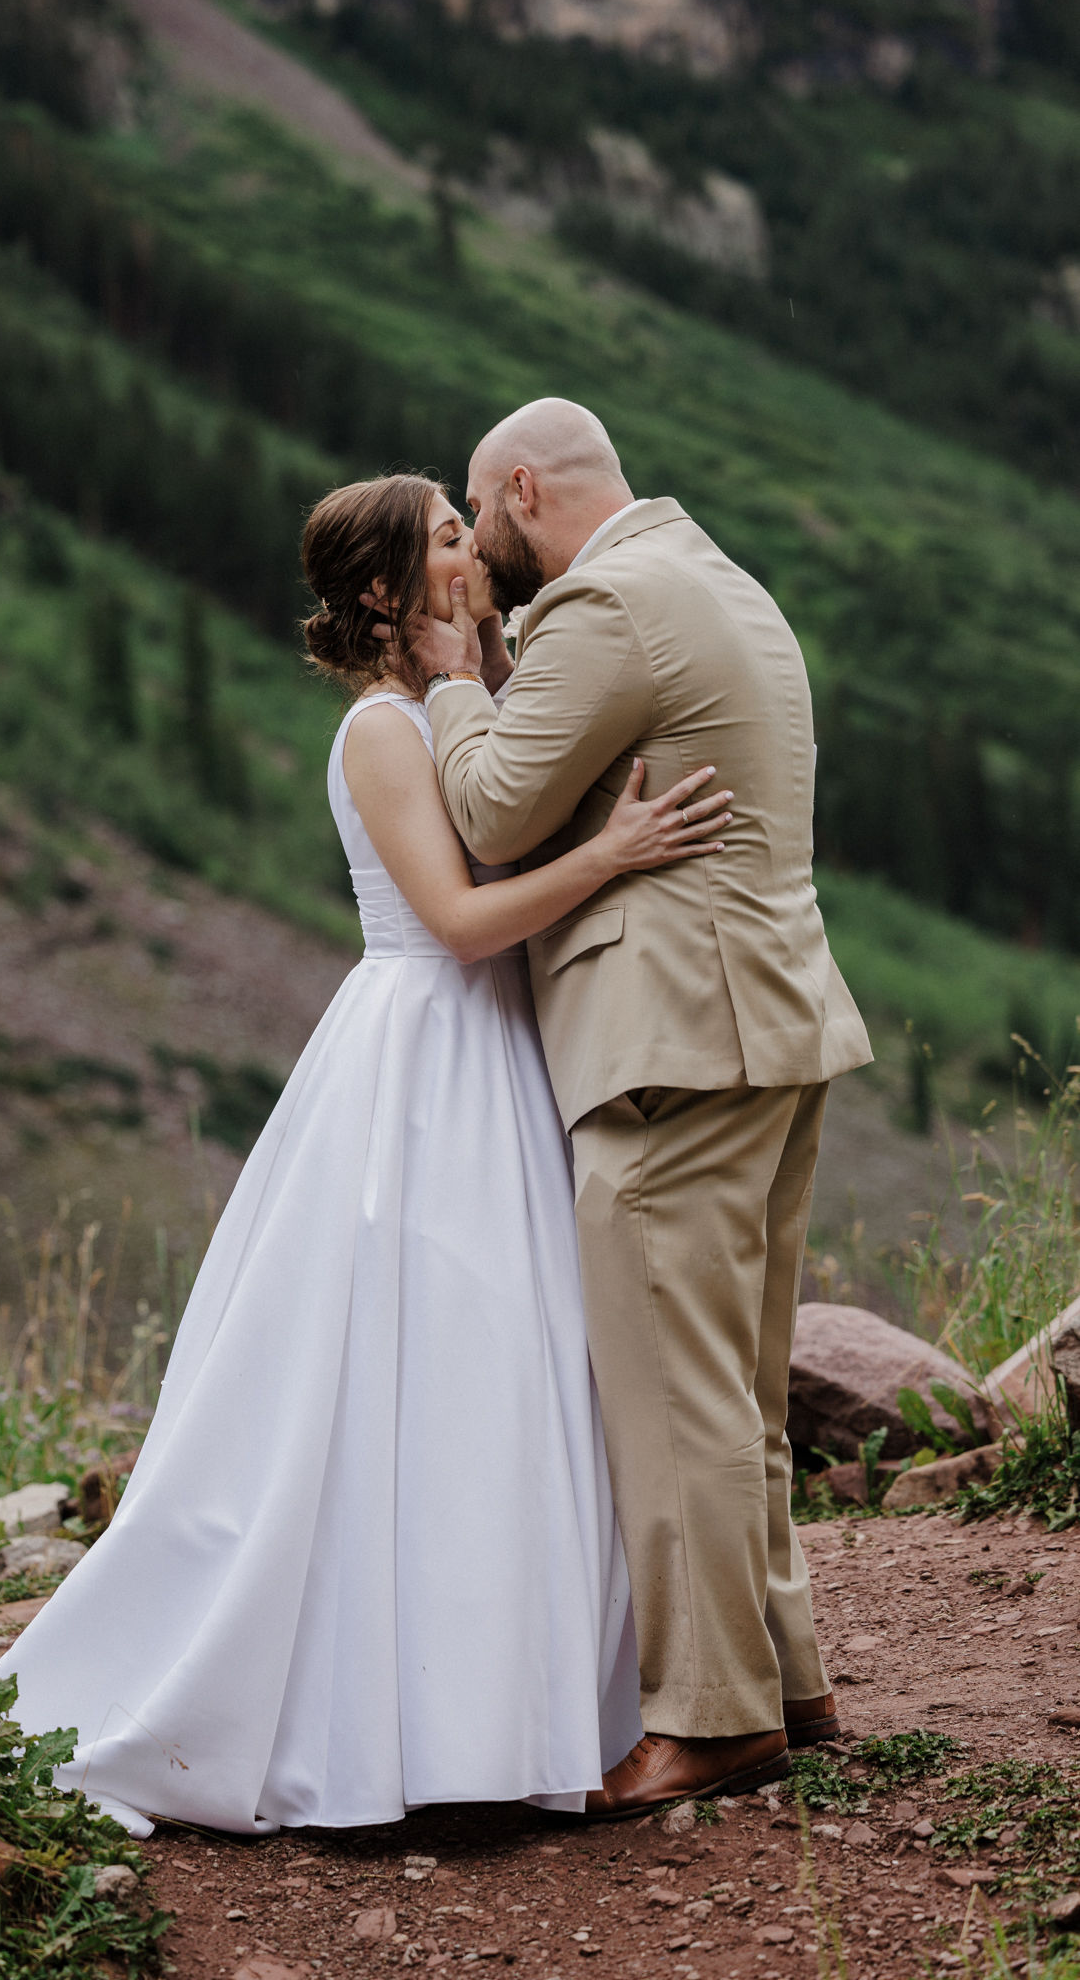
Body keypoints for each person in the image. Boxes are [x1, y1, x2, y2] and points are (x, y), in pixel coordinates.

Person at [0, 472, 739, 1838]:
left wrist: (506, 674)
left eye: (470, 528)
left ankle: (522, 1717)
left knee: (516, 1376)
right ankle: (395, 1733)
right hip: (426, 1057)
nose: (472, 549)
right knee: (428, 1369)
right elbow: (456, 921)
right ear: (386, 590)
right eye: (447, 538)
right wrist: (618, 854)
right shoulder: (382, 735)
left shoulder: (471, 701)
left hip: (501, 1059)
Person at [397, 398, 873, 1818]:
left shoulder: (606, 606)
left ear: (522, 489)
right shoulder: (716, 578)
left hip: (669, 1037)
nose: (475, 548)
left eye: (478, 517)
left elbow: (485, 812)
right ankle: (783, 1677)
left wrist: (452, 672)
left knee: (673, 1389)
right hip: (764, 1020)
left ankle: (710, 1716)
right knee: (734, 1383)